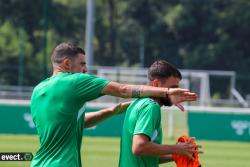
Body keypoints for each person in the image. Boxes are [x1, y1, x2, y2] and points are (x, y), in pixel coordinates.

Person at [30, 43, 197, 167]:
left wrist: (113, 110)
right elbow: (123, 90)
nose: (85, 69)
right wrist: (166, 92)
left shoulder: (38, 90)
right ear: (66, 64)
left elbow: (76, 123)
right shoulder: (74, 81)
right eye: (82, 64)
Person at [119, 60, 202, 167]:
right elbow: (139, 147)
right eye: (173, 88)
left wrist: (178, 153)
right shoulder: (151, 107)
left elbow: (147, 156)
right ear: (157, 84)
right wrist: (176, 148)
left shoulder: (138, 102)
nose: (176, 92)